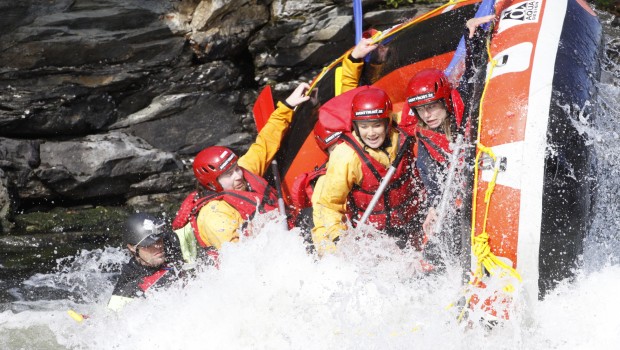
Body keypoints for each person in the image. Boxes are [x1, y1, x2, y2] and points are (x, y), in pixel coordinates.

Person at [171, 83, 310, 254]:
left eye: (236, 169)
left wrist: (288, 105)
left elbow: (264, 144)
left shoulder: (242, 172)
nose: (238, 176)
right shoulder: (214, 214)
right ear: (213, 185)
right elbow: (239, 257)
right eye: (228, 174)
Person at [311, 87, 425, 255]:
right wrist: (339, 239)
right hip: (374, 237)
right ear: (355, 126)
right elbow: (329, 206)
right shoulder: (345, 156)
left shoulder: (401, 132)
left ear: (387, 122)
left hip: (414, 222)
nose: (371, 133)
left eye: (377, 125)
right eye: (364, 126)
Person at [108, 213, 195, 311]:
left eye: (159, 240)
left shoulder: (171, 243)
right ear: (132, 247)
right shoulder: (129, 289)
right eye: (149, 244)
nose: (158, 246)